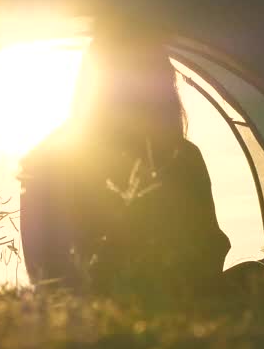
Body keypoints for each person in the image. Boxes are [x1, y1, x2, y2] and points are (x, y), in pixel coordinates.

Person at [18, 15, 231, 296]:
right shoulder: (181, 157)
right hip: (164, 304)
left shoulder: (45, 156)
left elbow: (43, 271)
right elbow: (209, 250)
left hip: (86, 311)